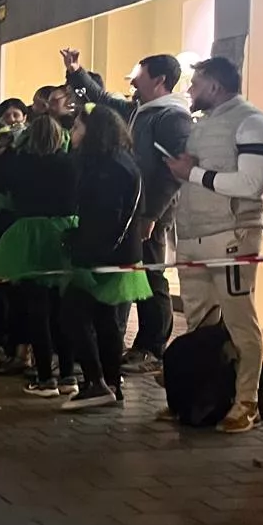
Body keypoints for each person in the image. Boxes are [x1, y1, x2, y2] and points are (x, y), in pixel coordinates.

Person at [163, 56, 263, 433]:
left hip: (230, 236)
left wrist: (192, 172)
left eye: (195, 83)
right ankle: (201, 395)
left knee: (240, 323)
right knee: (200, 324)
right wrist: (188, 169)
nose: (189, 90)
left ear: (215, 86)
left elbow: (249, 184)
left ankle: (247, 401)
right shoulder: (202, 126)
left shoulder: (253, 121)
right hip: (193, 236)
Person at [63, 49, 192, 375]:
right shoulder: (139, 110)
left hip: (149, 211)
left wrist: (151, 215)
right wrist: (76, 70)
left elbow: (173, 172)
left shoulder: (172, 118)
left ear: (159, 79)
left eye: (139, 71)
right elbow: (101, 98)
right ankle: (116, 349)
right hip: (131, 207)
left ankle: (151, 346)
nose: (132, 78)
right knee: (128, 273)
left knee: (150, 275)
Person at [60, 106, 150, 410]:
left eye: (77, 126)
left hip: (102, 254)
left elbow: (106, 216)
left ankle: (97, 381)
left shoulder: (107, 168)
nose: (73, 133)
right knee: (105, 318)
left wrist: (82, 246)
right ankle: (111, 383)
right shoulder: (120, 161)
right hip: (115, 252)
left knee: (75, 311)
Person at [0, 115, 77, 397]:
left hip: (28, 234)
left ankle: (44, 378)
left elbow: (0, 185)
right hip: (63, 231)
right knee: (63, 310)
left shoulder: (20, 163)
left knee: (37, 311)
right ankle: (68, 375)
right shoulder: (69, 163)